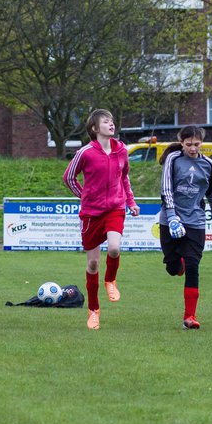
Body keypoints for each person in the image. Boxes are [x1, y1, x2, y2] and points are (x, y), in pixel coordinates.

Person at [64, 108, 139, 330]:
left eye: (112, 121)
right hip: (91, 213)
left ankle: (111, 280)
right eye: (106, 122)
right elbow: (68, 178)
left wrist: (131, 202)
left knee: (115, 248)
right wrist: (84, 195)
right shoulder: (85, 153)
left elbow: (124, 179)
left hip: (115, 208)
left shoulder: (122, 151)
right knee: (93, 263)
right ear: (95, 128)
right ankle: (94, 310)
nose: (111, 124)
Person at [158, 126, 212, 330]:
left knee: (194, 266)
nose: (193, 148)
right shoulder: (173, 159)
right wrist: (172, 217)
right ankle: (179, 264)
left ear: (201, 142)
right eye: (189, 144)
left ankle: (190, 316)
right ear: (181, 142)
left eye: (197, 144)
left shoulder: (208, 164)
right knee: (172, 268)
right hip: (171, 220)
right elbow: (166, 188)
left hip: (195, 221)